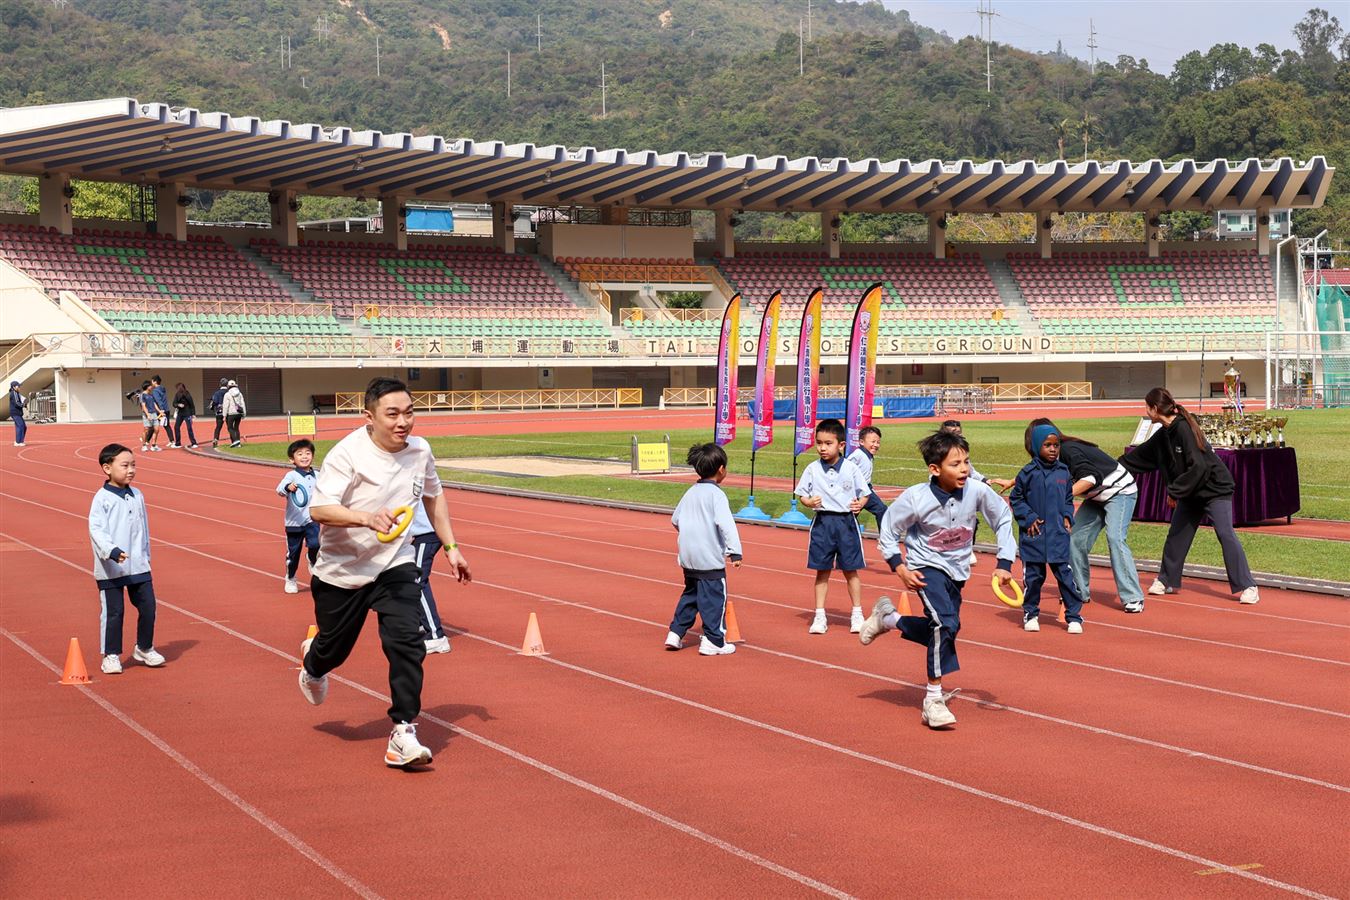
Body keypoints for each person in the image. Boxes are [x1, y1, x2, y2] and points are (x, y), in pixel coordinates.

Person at [298, 377, 472, 768]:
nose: (403, 422)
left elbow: (434, 496)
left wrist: (452, 548)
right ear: (369, 417)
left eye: (409, 413)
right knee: (333, 649)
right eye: (392, 414)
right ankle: (313, 664)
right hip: (342, 570)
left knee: (407, 641)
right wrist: (366, 518)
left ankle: (403, 731)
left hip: (395, 562)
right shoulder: (348, 453)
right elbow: (319, 509)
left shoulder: (420, 450)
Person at [859, 429, 1017, 729]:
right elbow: (889, 530)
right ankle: (932, 700)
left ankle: (888, 619)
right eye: (955, 464)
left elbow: (1003, 518)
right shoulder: (915, 498)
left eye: (966, 462)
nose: (964, 469)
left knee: (945, 628)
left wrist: (1004, 562)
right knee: (945, 624)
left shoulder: (977, 491)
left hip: (958, 568)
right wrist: (899, 567)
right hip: (925, 566)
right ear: (935, 469)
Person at [1120, 387, 1259, 605]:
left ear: (1155, 409)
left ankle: (1248, 586)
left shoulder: (1184, 428)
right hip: (1191, 491)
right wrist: (1108, 468)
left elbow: (1199, 467)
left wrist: (1174, 491)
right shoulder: (1162, 435)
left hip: (1214, 489)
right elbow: (1137, 457)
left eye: (1147, 407)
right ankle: (1166, 580)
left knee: (1225, 534)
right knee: (1177, 534)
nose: (1145, 411)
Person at [1028, 417, 1145, 613]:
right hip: (1096, 496)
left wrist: (1062, 497)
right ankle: (1079, 591)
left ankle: (1133, 597)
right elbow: (1033, 475)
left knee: (1115, 538)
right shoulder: (1049, 458)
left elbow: (1090, 477)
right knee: (1074, 539)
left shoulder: (1068, 450)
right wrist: (1013, 482)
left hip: (1121, 491)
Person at [88, 443, 165, 674]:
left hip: (138, 564)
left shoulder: (137, 495)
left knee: (148, 607)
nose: (131, 470)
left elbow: (144, 528)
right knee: (114, 612)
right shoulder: (101, 499)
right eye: (125, 465)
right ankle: (111, 655)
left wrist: (146, 554)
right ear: (107, 468)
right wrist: (111, 551)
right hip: (111, 567)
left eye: (133, 465)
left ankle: (144, 647)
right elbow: (96, 530)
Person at [665, 442, 743, 656]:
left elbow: (675, 519)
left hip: (689, 558)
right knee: (714, 599)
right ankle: (713, 640)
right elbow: (726, 525)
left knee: (691, 596)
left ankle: (675, 632)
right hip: (709, 559)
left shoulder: (691, 492)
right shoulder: (717, 495)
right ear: (721, 469)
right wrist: (735, 551)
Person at [795, 418, 869, 634]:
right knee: (822, 571)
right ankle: (819, 616)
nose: (822, 448)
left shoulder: (851, 468)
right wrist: (809, 502)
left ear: (841, 445)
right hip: (823, 523)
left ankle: (857, 614)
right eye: (819, 443)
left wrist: (860, 504)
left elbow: (865, 493)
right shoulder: (812, 469)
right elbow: (802, 495)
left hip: (846, 523)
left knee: (850, 570)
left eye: (828, 443)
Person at [1009, 423, 1085, 633]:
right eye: (1047, 445)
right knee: (1033, 579)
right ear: (1036, 446)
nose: (1053, 449)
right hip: (1034, 536)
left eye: (1056, 445)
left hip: (1058, 536)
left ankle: (1074, 616)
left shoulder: (1063, 472)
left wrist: (1068, 516)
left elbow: (1068, 498)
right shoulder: (1027, 473)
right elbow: (1016, 498)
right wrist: (1029, 517)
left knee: (1066, 577)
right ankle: (1031, 614)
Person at [939, 419, 1013, 565]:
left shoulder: (962, 451)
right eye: (952, 433)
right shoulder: (940, 453)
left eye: (959, 433)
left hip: (962, 492)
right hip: (946, 494)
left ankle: (963, 550)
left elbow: (971, 471)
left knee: (971, 521)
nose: (957, 436)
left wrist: (985, 481)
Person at [276, 438, 320, 594]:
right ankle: (291, 578)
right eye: (299, 454)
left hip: (312, 519)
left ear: (312, 456)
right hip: (294, 522)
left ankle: (312, 558)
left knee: (316, 544)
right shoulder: (291, 475)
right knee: (293, 554)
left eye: (308, 453)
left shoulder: (318, 475)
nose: (304, 456)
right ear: (292, 459)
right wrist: (288, 487)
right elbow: (279, 489)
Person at [409, 500, 451, 654]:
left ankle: (436, 636)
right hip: (422, 533)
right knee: (407, 578)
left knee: (417, 581)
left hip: (426, 534)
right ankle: (420, 623)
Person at [846, 425, 889, 530]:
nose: (876, 445)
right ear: (861, 442)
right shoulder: (858, 455)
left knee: (881, 510)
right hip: (857, 491)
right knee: (881, 510)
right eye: (873, 442)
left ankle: (884, 537)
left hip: (866, 490)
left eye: (878, 442)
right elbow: (845, 468)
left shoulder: (867, 455)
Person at [170, 382, 199, 449]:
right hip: (180, 413)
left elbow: (192, 405)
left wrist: (193, 414)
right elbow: (174, 403)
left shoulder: (187, 394)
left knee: (189, 428)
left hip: (187, 413)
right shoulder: (177, 394)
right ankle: (178, 443)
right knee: (176, 427)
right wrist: (178, 405)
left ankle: (194, 443)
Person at [221, 379, 246, 448]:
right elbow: (243, 403)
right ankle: (238, 443)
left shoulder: (227, 394)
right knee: (236, 428)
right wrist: (244, 413)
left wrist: (224, 415)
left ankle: (235, 441)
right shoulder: (240, 394)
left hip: (231, 414)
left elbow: (225, 406)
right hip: (239, 413)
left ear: (228, 386)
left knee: (230, 428)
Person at [138, 382, 162, 452]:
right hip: (147, 414)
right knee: (146, 430)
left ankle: (153, 445)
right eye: (150, 386)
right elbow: (143, 406)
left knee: (157, 429)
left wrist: (159, 411)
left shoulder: (151, 395)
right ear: (147, 386)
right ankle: (144, 445)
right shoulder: (142, 395)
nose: (151, 387)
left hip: (154, 414)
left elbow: (154, 404)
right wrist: (147, 414)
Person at [208, 378, 228, 447]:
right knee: (230, 428)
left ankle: (215, 439)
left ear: (220, 385)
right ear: (227, 385)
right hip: (228, 412)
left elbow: (215, 401)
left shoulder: (217, 393)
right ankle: (234, 441)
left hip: (219, 412)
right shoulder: (229, 392)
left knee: (218, 427)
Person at [150, 375, 169, 446]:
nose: (151, 382)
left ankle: (147, 440)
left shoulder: (155, 391)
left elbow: (158, 401)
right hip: (166, 409)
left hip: (160, 411)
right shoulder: (162, 388)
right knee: (167, 426)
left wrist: (161, 410)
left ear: (155, 382)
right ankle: (172, 441)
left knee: (154, 425)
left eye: (152, 381)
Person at [8, 380, 26, 446]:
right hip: (15, 413)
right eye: (18, 386)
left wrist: (23, 404)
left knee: (23, 426)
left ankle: (19, 441)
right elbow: (16, 403)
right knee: (21, 426)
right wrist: (23, 405)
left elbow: (18, 402)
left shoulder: (16, 393)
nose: (19, 387)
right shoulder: (14, 393)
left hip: (17, 413)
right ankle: (18, 442)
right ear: (14, 387)